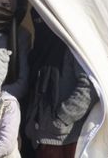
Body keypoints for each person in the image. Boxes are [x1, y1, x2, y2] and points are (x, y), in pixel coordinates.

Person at [24, 8, 98, 158]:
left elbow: (89, 86)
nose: (41, 23)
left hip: (67, 140)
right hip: (42, 139)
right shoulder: (40, 50)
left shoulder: (73, 48)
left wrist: (61, 118)